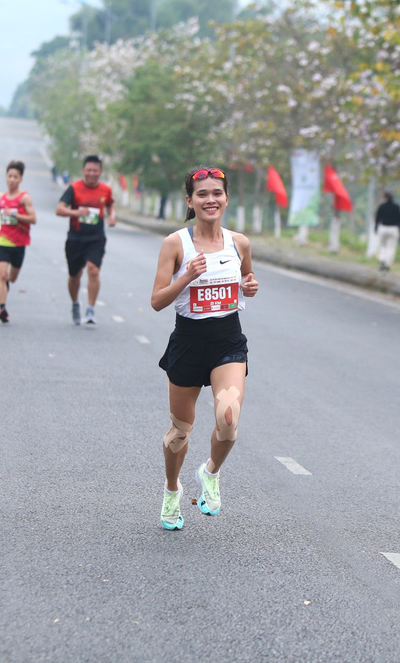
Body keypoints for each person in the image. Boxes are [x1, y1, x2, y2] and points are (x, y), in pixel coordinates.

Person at [150, 166, 258, 530]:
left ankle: (209, 473)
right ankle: (171, 491)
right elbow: (156, 301)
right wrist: (187, 277)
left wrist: (250, 285)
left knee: (228, 420)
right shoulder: (175, 244)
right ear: (190, 201)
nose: (210, 200)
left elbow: (246, 280)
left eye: (217, 193)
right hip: (188, 342)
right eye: (202, 194)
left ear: (226, 198)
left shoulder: (238, 243)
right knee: (180, 431)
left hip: (227, 340)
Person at [55, 154, 116, 325]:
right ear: (83, 171)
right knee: (75, 275)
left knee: (93, 270)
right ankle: (75, 303)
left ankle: (90, 309)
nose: (91, 173)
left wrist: (112, 216)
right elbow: (59, 209)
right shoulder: (74, 188)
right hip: (75, 238)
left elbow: (110, 204)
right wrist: (76, 213)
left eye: (95, 170)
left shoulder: (105, 190)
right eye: (88, 170)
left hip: (96, 238)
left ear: (100, 172)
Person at [0, 160, 36, 323]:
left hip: (20, 242)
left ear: (20, 179)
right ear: (6, 178)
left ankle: (5, 286)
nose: (11, 180)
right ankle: (2, 308)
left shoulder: (24, 198)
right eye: (9, 176)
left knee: (12, 277)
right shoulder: (0, 198)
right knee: (2, 275)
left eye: (15, 177)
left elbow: (33, 219)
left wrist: (14, 215)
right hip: (4, 240)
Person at [374, 192, 400, 271]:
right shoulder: (396, 207)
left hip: (383, 228)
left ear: (385, 198)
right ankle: (387, 264)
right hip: (393, 229)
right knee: (391, 247)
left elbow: (377, 218)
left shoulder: (382, 206)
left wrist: (376, 228)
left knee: (383, 246)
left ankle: (382, 260)